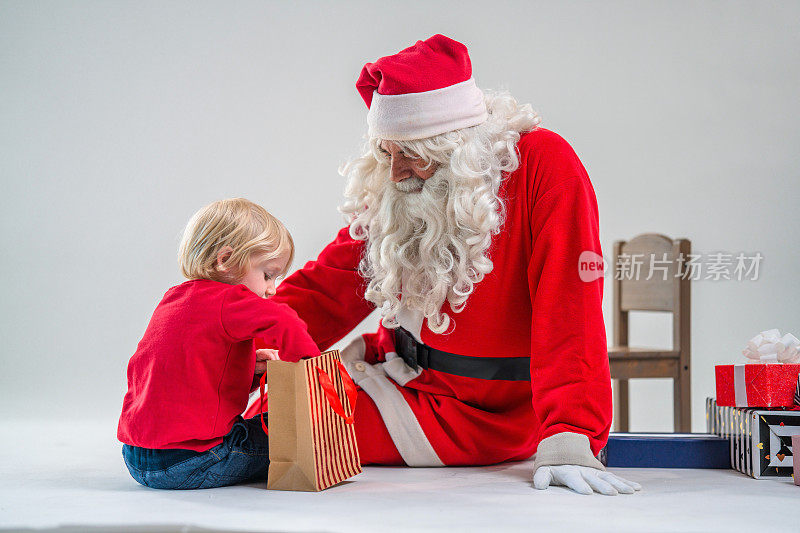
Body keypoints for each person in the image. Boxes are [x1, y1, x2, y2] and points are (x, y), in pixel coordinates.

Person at [254, 35, 640, 495]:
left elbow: (570, 309)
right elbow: (332, 282)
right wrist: (229, 336)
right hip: (396, 372)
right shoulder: (401, 184)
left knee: (278, 427)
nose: (395, 172)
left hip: (478, 416)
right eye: (387, 153)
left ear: (459, 146)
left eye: (412, 155)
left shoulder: (543, 165)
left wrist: (570, 435)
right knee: (257, 402)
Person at [118, 198, 320, 489]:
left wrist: (249, 370)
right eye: (267, 275)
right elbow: (283, 320)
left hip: (137, 459)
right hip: (194, 461)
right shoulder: (229, 300)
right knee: (288, 433)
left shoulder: (173, 299)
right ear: (225, 260)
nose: (271, 290)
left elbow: (192, 379)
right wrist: (308, 366)